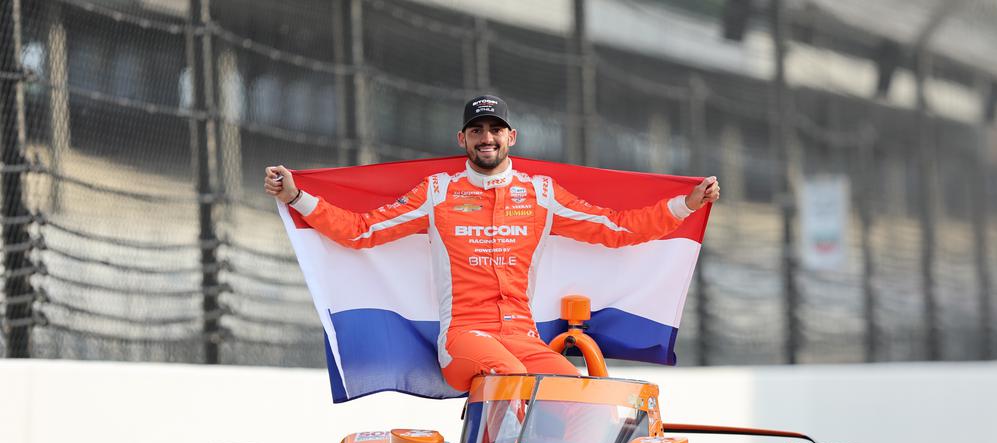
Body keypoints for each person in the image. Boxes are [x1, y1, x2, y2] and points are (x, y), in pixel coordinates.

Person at [265, 95, 719, 392]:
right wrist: (297, 197)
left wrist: (685, 204)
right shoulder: (437, 192)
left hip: (522, 335)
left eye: (495, 129)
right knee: (513, 379)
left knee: (576, 389)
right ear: (462, 138)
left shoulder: (542, 194)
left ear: (511, 137)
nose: (487, 138)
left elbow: (618, 229)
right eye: (478, 130)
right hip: (464, 337)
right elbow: (361, 231)